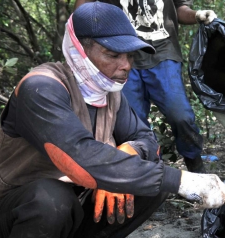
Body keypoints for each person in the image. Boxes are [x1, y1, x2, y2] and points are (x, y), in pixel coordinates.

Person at [0, 2, 225, 238]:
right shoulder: (41, 87)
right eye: (113, 55)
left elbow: (147, 140)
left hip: (74, 206)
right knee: (50, 197)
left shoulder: (110, 93)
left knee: (150, 178)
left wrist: (126, 155)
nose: (126, 66)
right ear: (79, 49)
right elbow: (80, 158)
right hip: (16, 214)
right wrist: (180, 180)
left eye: (129, 56)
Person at [75, 0, 217, 174]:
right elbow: (84, 8)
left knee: (180, 115)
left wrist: (196, 15)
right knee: (132, 123)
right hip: (122, 52)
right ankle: (147, 174)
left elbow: (180, 8)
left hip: (163, 52)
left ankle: (195, 164)